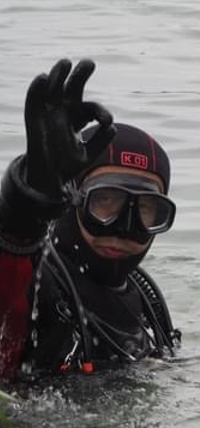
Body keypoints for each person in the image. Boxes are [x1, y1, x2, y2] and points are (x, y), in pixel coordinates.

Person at [0, 58, 179, 381]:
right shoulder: (37, 280)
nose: (124, 228)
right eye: (105, 201)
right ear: (73, 198)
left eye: (146, 210)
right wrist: (25, 208)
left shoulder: (146, 302)